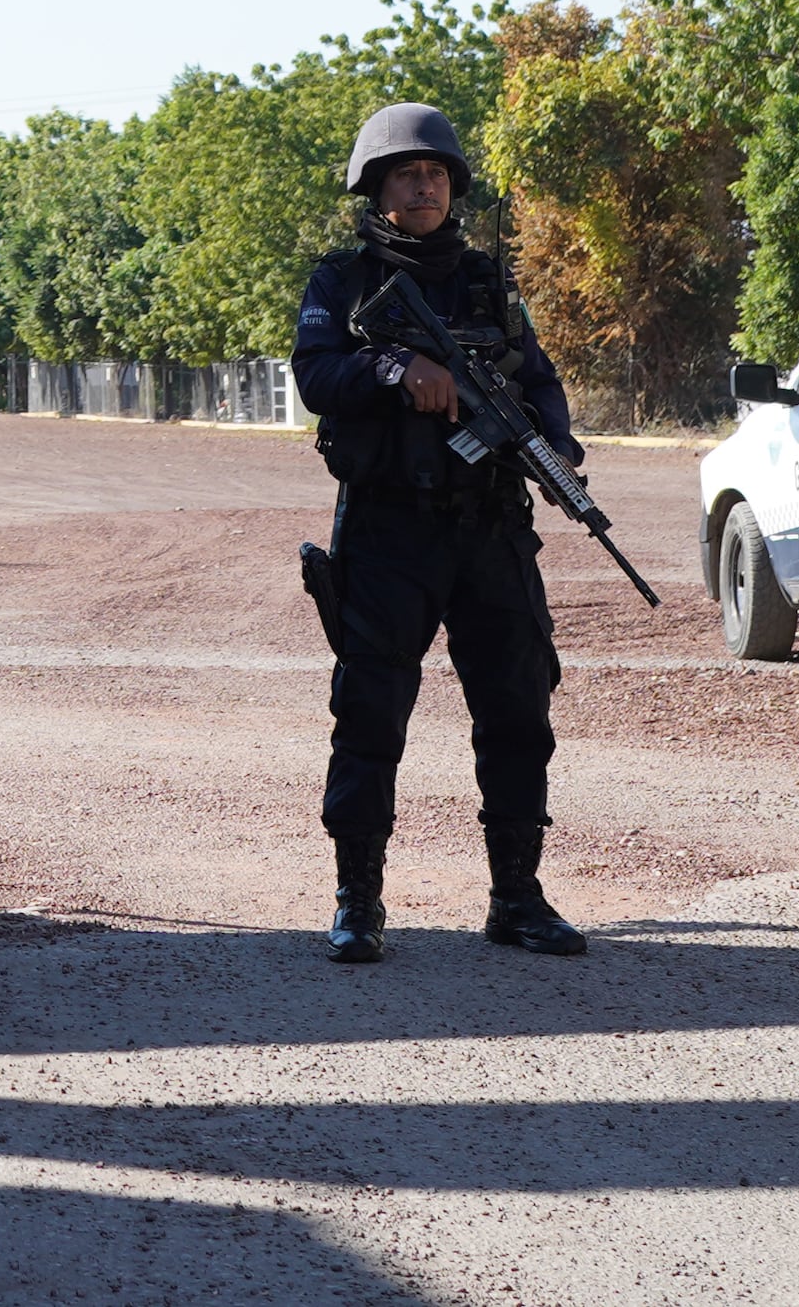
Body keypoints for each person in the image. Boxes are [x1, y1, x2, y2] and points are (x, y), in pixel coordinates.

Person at [291, 100, 584, 962]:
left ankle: (516, 896)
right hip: (389, 531)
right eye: (406, 174)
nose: (424, 186)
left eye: (436, 174)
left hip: (492, 528)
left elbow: (540, 377)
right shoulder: (342, 281)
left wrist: (555, 445)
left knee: (518, 709)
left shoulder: (489, 281)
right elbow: (316, 374)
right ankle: (358, 899)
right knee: (370, 712)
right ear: (375, 187)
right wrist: (395, 365)